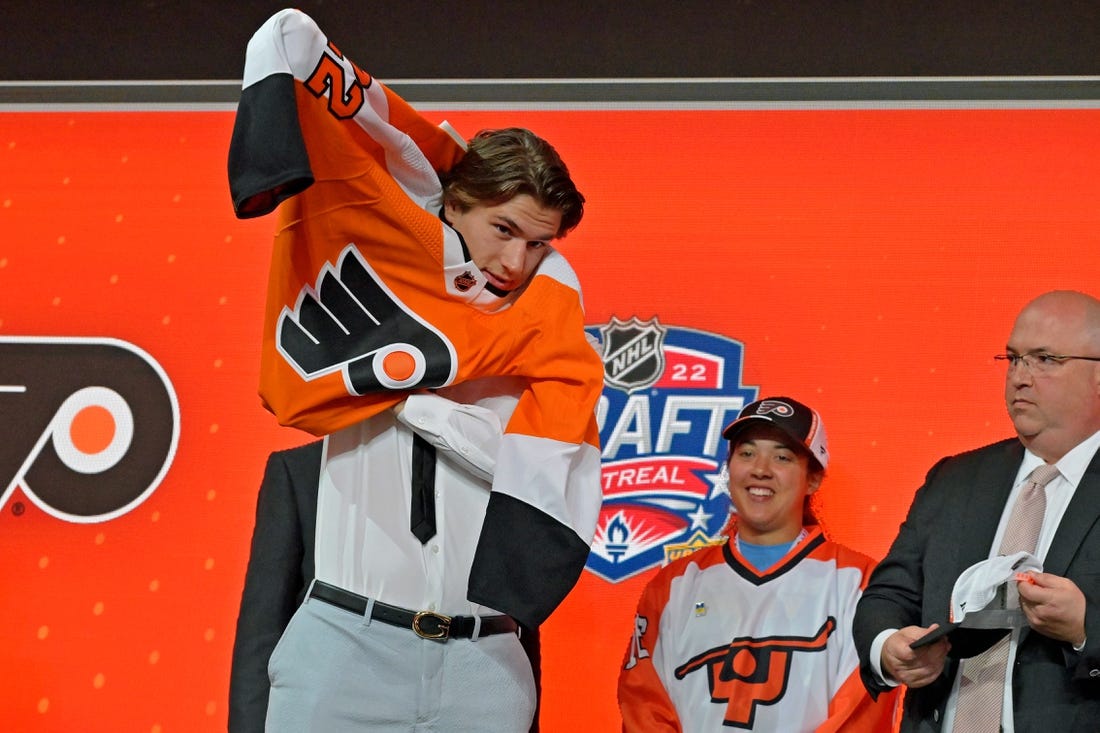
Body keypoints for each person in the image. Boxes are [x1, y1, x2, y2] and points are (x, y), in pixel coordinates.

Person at [226, 10, 603, 732]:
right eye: (504, 230)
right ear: (455, 203)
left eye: (537, 243)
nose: (516, 262)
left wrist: (408, 394)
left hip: (486, 659)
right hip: (340, 641)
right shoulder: (368, 267)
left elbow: (532, 475)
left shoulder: (545, 334)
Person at [853, 290, 1100, 732]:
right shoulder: (955, 479)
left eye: (1044, 359)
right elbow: (889, 596)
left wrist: (1086, 626)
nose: (1020, 377)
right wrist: (889, 645)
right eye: (1013, 359)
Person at [228, 437, 545, 733]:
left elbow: (517, 610)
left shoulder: (499, 471)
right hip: (336, 694)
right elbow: (263, 629)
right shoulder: (306, 469)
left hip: (480, 693)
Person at [618, 396, 898, 731]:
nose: (760, 469)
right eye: (747, 453)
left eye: (782, 457)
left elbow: (859, 714)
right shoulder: (673, 585)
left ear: (813, 478)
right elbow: (644, 707)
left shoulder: (862, 582)